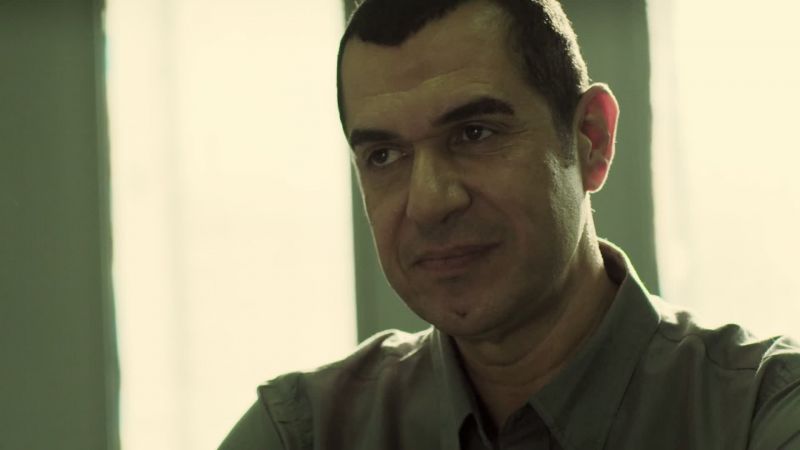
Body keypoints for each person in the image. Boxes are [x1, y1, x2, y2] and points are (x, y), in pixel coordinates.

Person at [221, 0, 800, 448]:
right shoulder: (305, 432)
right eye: (384, 155)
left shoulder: (759, 413)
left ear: (591, 140)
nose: (429, 202)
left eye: (475, 134)